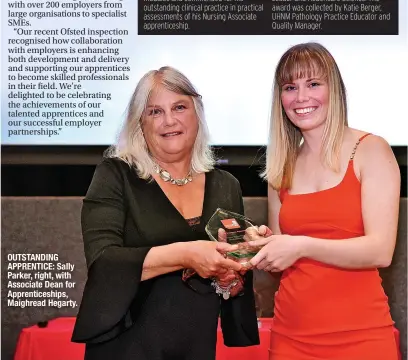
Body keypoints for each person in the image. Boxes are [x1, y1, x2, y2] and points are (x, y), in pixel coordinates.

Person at [71, 66, 259, 359]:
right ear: (139, 124)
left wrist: (234, 273)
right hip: (127, 346)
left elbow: (231, 284)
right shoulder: (116, 175)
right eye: (155, 112)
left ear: (197, 113)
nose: (169, 121)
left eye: (179, 107)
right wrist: (187, 254)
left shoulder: (226, 186)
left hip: (195, 345)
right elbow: (103, 261)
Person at [247, 43, 401, 360]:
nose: (301, 97)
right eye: (291, 87)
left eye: (313, 83)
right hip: (290, 337)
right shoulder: (281, 166)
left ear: (334, 90)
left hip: (361, 337)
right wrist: (260, 246)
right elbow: (281, 262)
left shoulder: (371, 150)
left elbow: (381, 250)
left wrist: (300, 245)